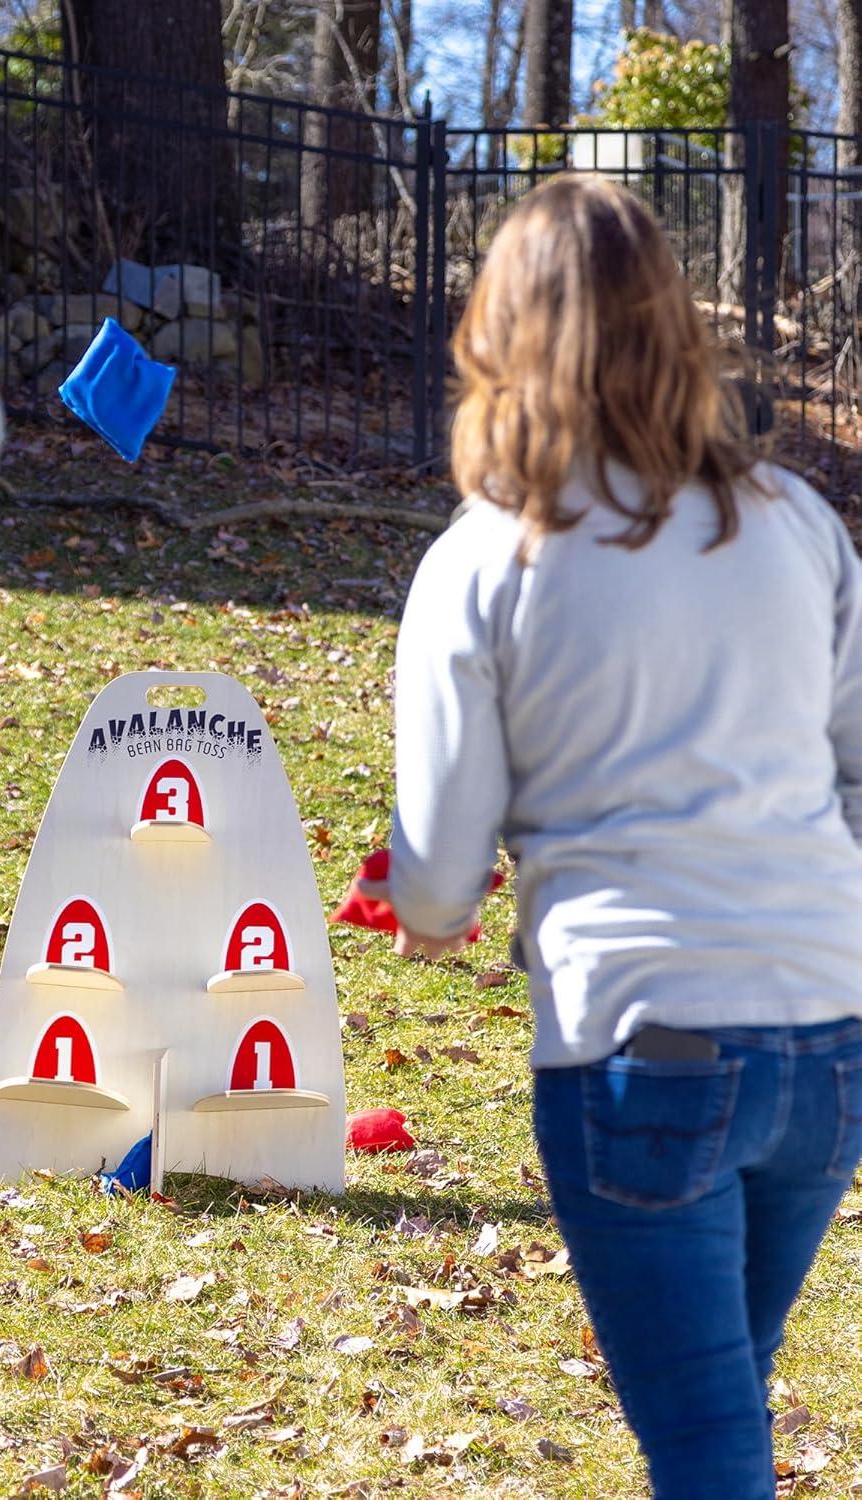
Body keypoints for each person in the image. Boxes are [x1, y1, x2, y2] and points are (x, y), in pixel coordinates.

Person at [381, 176, 862, 1500]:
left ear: (499, 334)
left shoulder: (488, 558)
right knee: (723, 1401)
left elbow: (437, 870)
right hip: (828, 1033)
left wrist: (431, 916)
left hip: (646, 1045)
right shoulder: (797, 523)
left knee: (707, 1440)